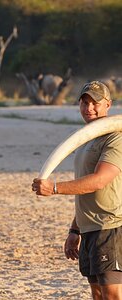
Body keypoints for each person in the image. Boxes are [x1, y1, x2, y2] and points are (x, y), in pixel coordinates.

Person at [32, 80, 122, 299]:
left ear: (108, 104)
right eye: (84, 102)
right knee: (97, 294)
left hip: (110, 226)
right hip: (89, 227)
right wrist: (75, 230)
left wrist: (54, 188)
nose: (88, 108)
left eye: (94, 103)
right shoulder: (85, 139)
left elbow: (99, 180)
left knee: (112, 294)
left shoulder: (116, 138)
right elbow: (87, 189)